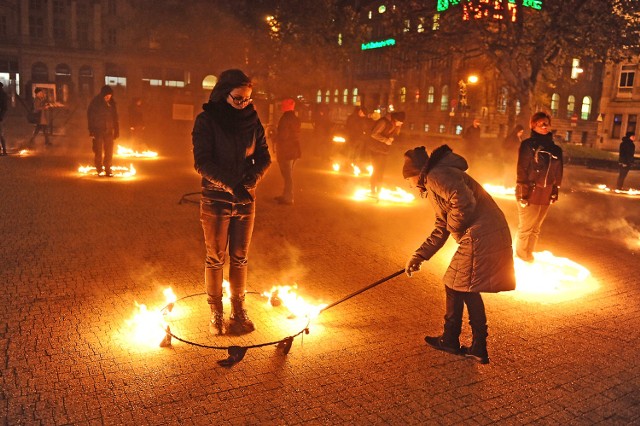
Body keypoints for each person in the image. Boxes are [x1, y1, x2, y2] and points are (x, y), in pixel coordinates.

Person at [403, 145, 516, 365]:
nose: (408, 185)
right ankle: (472, 345)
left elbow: (463, 202)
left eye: (407, 179)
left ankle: (455, 340)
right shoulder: (434, 181)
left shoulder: (436, 175)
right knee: (464, 285)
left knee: (457, 284)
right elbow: (440, 226)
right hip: (485, 232)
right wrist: (418, 256)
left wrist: (456, 227)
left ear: (416, 174)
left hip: (482, 234)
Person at [192, 69, 271, 335]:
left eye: (247, 99)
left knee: (240, 258)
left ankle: (238, 309)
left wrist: (252, 178)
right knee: (215, 258)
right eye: (238, 99)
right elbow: (202, 162)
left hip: (245, 199)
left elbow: (264, 156)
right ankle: (216, 312)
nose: (243, 104)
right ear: (223, 94)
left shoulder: (252, 120)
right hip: (216, 199)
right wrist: (231, 185)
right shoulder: (207, 120)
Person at [515, 112, 563, 262]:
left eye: (546, 123)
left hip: (546, 192)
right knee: (526, 228)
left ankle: (529, 254)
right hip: (530, 191)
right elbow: (521, 169)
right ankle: (521, 257)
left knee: (535, 229)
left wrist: (555, 190)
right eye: (540, 123)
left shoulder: (556, 149)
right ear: (533, 125)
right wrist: (523, 192)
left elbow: (558, 171)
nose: (544, 126)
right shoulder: (528, 145)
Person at [367, 111, 405, 196]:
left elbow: (390, 135)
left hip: (384, 150)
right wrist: (385, 140)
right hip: (375, 149)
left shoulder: (394, 125)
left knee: (381, 171)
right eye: (400, 122)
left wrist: (391, 138)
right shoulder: (383, 122)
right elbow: (374, 134)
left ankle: (378, 190)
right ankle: (373, 190)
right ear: (396, 119)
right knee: (376, 170)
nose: (401, 124)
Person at [273, 98, 301, 205]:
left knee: (287, 175)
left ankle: (289, 198)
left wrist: (275, 137)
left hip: (286, 151)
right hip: (294, 150)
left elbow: (283, 135)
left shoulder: (285, 118)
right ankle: (286, 195)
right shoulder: (295, 118)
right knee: (288, 175)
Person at [87, 85, 119, 176]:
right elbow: (90, 116)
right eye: (107, 95)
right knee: (98, 150)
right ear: (103, 94)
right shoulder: (96, 102)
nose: (108, 97)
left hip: (109, 130)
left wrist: (116, 130)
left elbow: (115, 117)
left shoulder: (112, 103)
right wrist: (91, 130)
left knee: (109, 151)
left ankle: (108, 169)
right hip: (98, 130)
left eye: (110, 95)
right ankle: (99, 168)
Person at [0, 82, 8, 156]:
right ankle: (3, 151)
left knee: (1, 134)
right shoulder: (3, 94)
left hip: (0, 117)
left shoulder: (3, 95)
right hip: (1, 117)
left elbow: (4, 108)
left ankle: (4, 151)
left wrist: (1, 117)